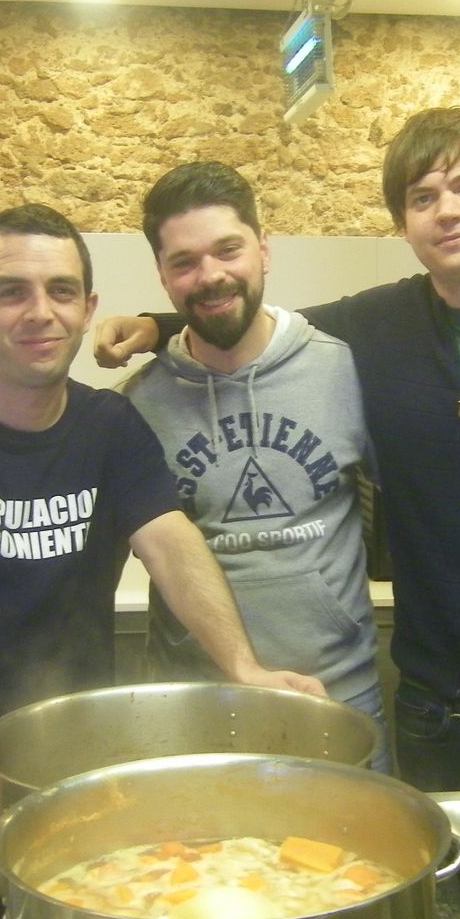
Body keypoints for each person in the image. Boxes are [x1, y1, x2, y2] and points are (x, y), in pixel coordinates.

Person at [96, 109, 460, 792]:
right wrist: (156, 327)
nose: (447, 211)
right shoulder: (381, 326)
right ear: (404, 224)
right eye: (422, 197)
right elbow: (242, 319)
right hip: (436, 715)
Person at [0, 203, 323, 832]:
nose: (41, 312)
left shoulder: (109, 428)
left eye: (61, 291)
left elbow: (172, 546)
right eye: (12, 292)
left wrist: (243, 667)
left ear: (87, 309)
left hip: (72, 769)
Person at [115, 161, 388, 769]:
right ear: (162, 276)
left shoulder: (344, 370)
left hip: (337, 704)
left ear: (264, 249)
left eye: (228, 250)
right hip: (193, 716)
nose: (210, 275)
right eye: (184, 261)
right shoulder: (138, 404)